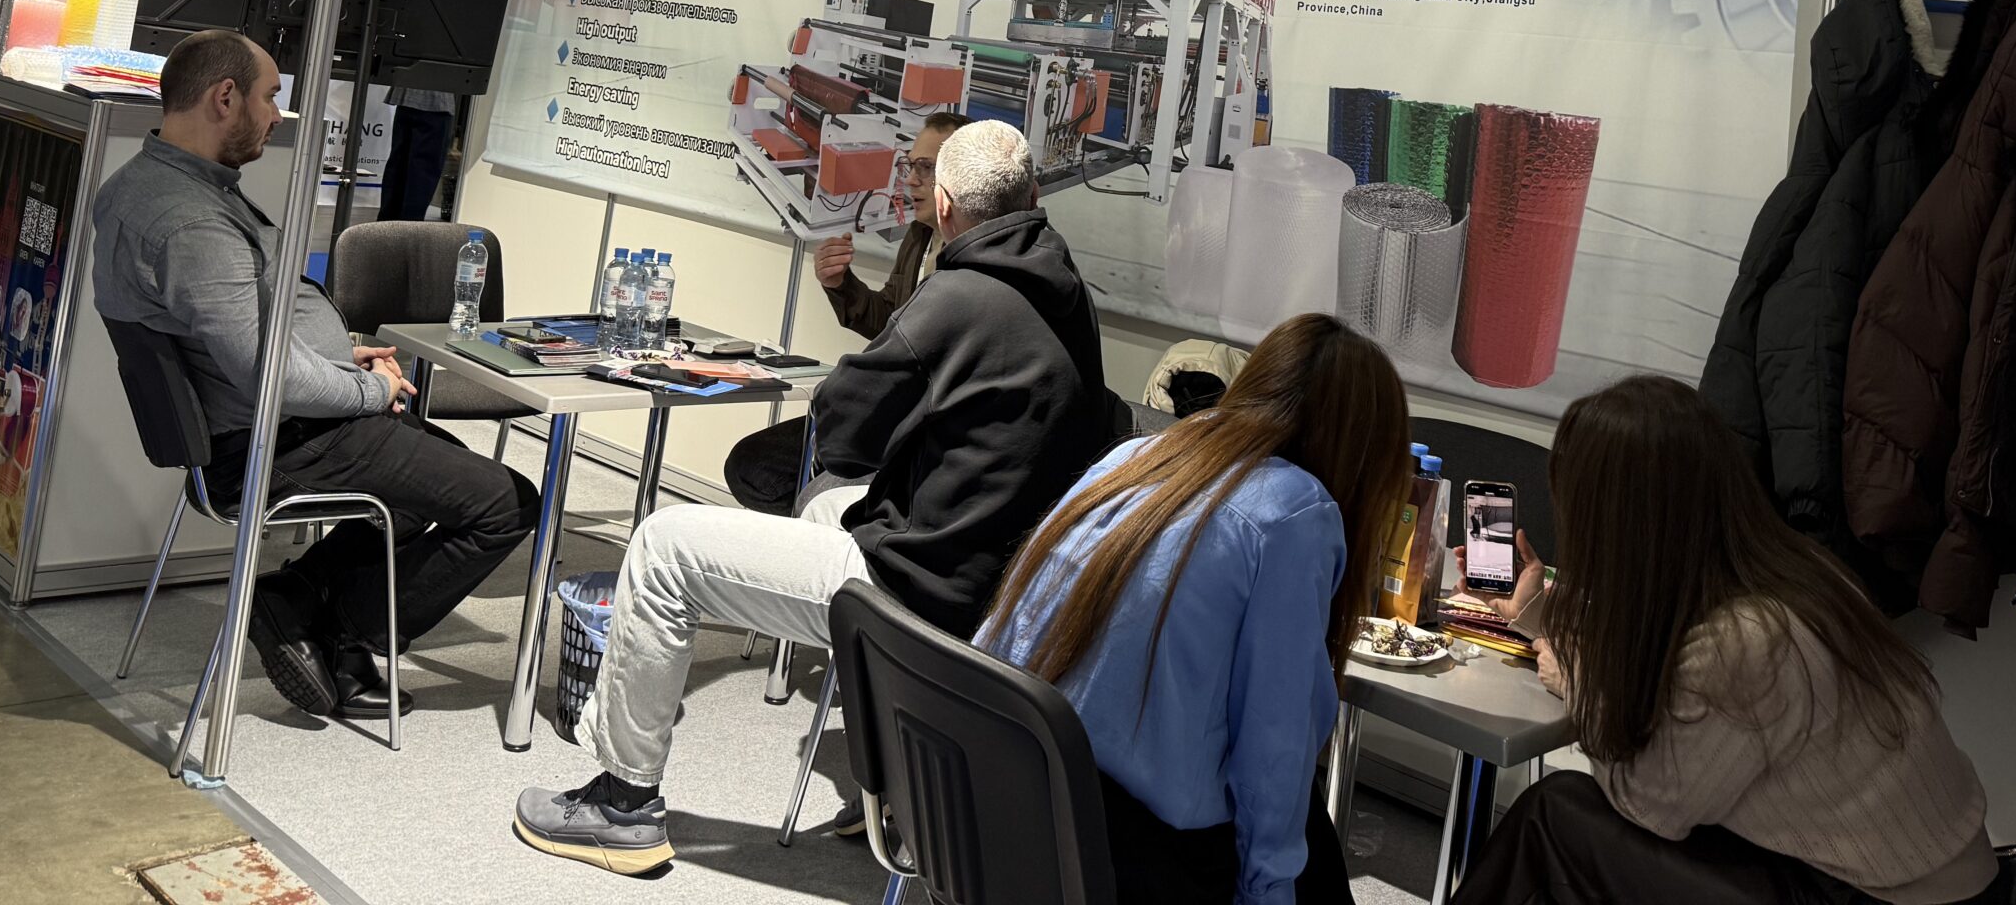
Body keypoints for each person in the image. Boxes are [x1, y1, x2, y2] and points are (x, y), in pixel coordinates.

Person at [512, 118, 1108, 875]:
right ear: (1032, 197)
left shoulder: (957, 296)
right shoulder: (1067, 297)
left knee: (663, 547)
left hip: (916, 592)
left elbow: (845, 435)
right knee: (826, 507)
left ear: (947, 206)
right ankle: (900, 783)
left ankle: (621, 804)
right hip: (1001, 582)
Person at [92, 30, 537, 720]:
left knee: (430, 479)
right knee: (506, 504)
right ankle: (339, 624)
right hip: (277, 439)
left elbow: (238, 338)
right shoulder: (192, 223)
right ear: (225, 97)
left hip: (267, 424)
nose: (277, 115)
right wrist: (367, 390)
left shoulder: (142, 184)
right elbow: (263, 375)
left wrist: (332, 357)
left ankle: (296, 599)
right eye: (270, 97)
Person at [1454, 376, 1999, 905]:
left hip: (1877, 895)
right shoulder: (1788, 573)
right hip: (1929, 880)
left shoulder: (1748, 639)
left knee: (1555, 817)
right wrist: (1539, 617)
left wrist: (1578, 682)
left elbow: (1648, 804)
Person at [981, 313, 1412, 905]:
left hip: (1002, 803)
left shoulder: (1136, 456)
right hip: (1112, 855)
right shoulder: (1294, 513)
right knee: (1303, 840)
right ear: (1362, 459)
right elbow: (1274, 754)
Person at [721, 111, 969, 515]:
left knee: (817, 497)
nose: (910, 180)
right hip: (883, 415)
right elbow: (890, 320)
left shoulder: (977, 261)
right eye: (909, 166)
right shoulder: (920, 235)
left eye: (926, 168)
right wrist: (841, 285)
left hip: (921, 430)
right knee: (751, 467)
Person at [377, 84, 460, 224]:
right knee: (420, 174)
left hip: (407, 95)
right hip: (435, 100)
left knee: (398, 168)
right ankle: (406, 231)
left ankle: (385, 229)